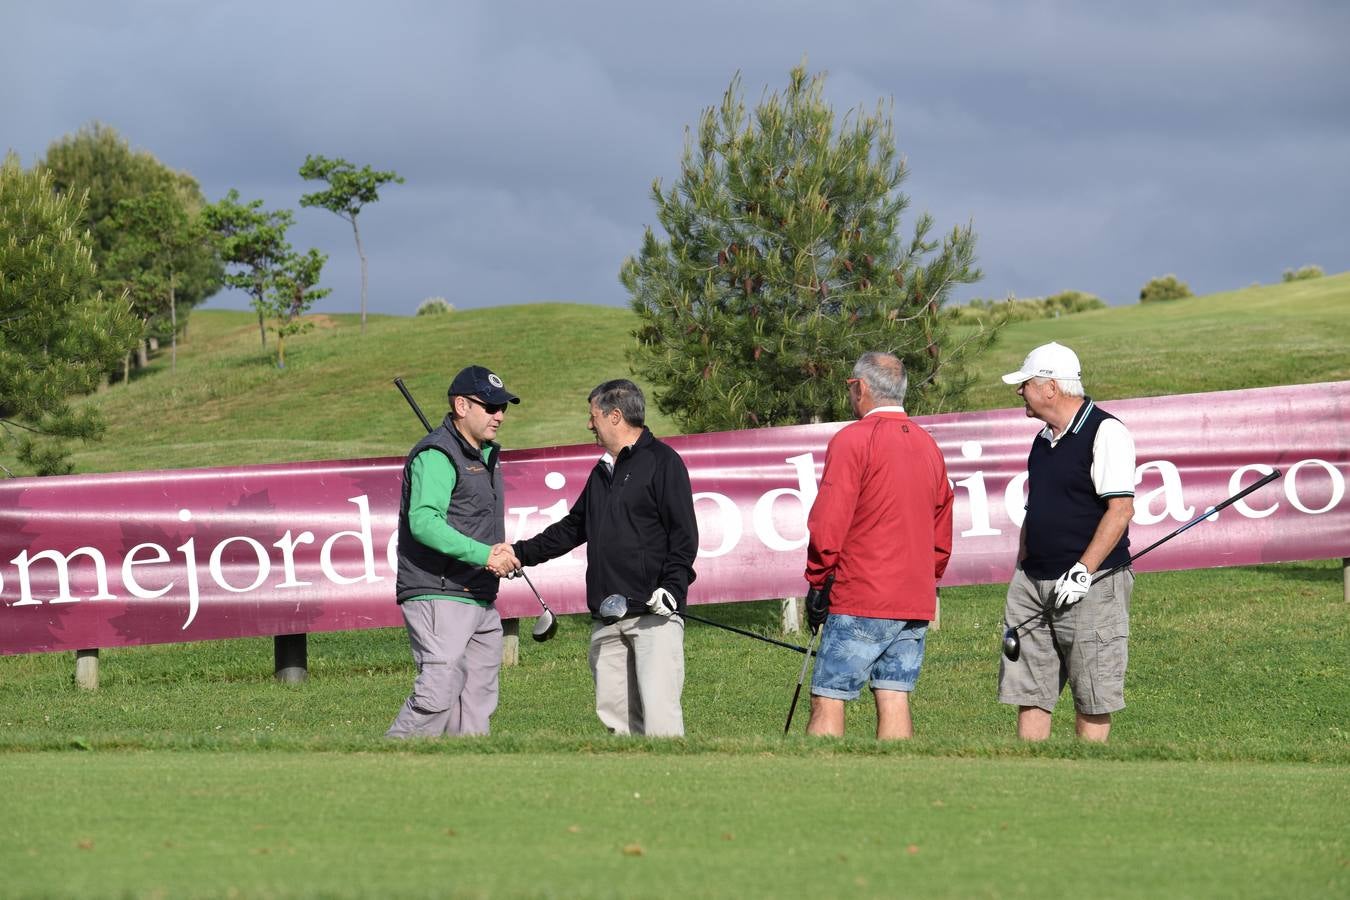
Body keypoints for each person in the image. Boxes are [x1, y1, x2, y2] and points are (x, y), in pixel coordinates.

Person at [513, 379, 698, 737]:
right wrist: (520, 554)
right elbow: (572, 528)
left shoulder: (663, 462)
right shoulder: (602, 471)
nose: (589, 424)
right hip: (607, 619)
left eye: (593, 415)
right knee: (618, 727)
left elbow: (683, 535)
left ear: (615, 416)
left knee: (661, 725)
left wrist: (672, 589)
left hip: (653, 617)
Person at [804, 352, 954, 739]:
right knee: (893, 695)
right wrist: (927, 579)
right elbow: (942, 530)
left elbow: (828, 523)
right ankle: (900, 785)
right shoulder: (927, 445)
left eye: (852, 386)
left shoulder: (853, 440)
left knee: (829, 695)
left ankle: (820, 783)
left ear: (862, 388)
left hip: (863, 593)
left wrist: (818, 581)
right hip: (914, 596)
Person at [998, 341, 1136, 742]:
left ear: (1050, 388)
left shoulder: (1105, 431)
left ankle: (1086, 783)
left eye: (1024, 383)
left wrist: (1083, 570)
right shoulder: (1043, 440)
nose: (1019, 391)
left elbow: (1120, 510)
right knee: (1029, 691)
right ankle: (1031, 780)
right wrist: (1022, 564)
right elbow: (1036, 506)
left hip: (1090, 584)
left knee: (1092, 692)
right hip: (1033, 582)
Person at [386, 365, 522, 738]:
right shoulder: (436, 454)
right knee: (439, 688)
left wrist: (492, 557)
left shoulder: (486, 454)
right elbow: (425, 523)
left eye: (503, 407)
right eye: (491, 406)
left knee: (477, 700)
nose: (499, 415)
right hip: (438, 589)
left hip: (478, 593)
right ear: (461, 405)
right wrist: (484, 555)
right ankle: (387, 762)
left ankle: (466, 778)